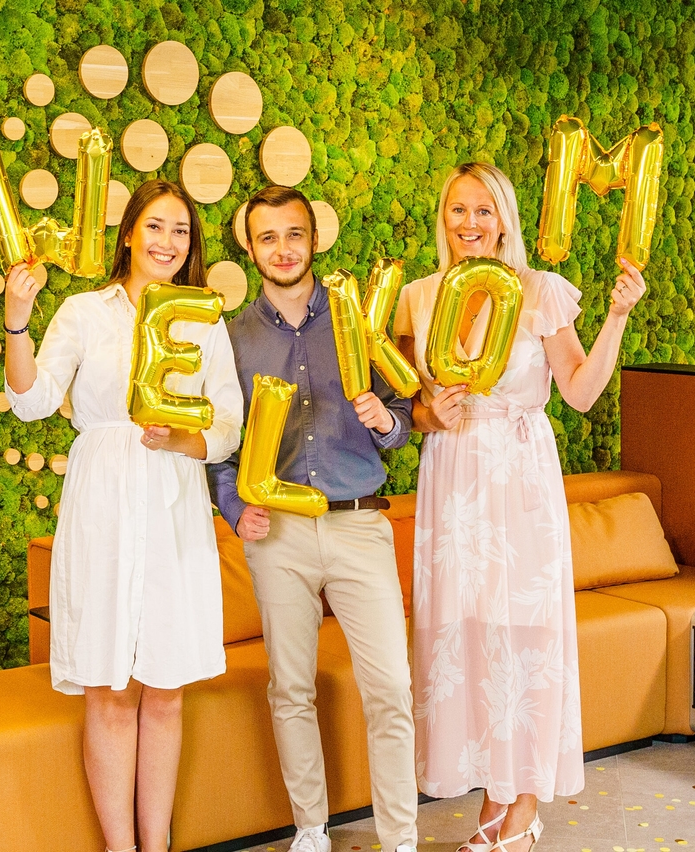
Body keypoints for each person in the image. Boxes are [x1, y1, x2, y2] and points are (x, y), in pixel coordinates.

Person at [392, 163, 647, 852]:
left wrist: (617, 315)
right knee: (468, 635)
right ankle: (493, 792)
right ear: (441, 218)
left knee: (524, 634)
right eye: (457, 210)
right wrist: (426, 414)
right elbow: (405, 411)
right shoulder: (417, 298)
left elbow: (581, 391)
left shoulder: (539, 293)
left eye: (483, 210)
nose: (470, 223)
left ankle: (525, 802)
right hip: (451, 479)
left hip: (520, 477)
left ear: (504, 219)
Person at [4, 180, 244, 852]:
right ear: (130, 233)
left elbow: (227, 425)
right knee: (111, 688)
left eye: (182, 232)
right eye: (157, 227)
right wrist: (16, 321)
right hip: (104, 499)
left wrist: (181, 440)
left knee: (164, 689)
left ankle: (157, 845)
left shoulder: (203, 321)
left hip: (173, 498)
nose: (168, 242)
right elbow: (31, 400)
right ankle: (121, 848)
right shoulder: (84, 312)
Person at [207, 186, 419, 852]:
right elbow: (219, 448)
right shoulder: (230, 340)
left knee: (390, 689)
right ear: (250, 247)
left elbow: (404, 416)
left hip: (360, 525)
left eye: (293, 234)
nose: (283, 248)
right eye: (267, 237)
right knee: (290, 689)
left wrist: (389, 422)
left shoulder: (359, 321)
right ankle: (311, 831)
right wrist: (237, 508)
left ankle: (401, 840)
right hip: (280, 538)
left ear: (314, 239)